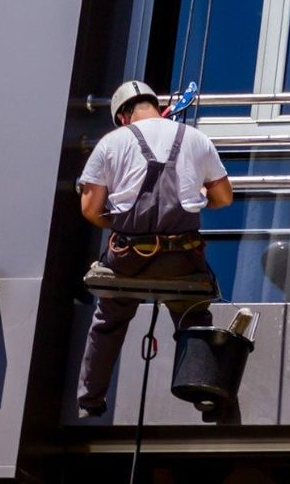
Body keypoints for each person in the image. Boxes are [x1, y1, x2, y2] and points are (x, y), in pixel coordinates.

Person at [75, 80, 232, 417]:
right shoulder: (197, 140)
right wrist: (198, 199)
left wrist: (116, 227)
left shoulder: (111, 143)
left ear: (122, 116)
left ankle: (90, 401)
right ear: (157, 107)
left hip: (128, 260)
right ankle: (203, 394)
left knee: (109, 319)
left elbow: (89, 208)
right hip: (182, 260)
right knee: (194, 318)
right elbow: (224, 197)